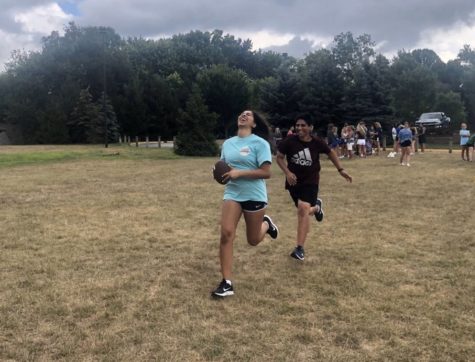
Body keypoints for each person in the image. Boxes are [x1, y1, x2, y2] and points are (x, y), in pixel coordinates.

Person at [211, 110, 279, 298]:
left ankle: (267, 224)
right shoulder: (228, 144)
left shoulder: (260, 143)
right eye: (241, 114)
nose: (243, 115)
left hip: (254, 195)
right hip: (233, 193)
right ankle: (227, 282)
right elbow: (224, 167)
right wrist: (218, 172)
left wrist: (239, 173)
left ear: (254, 124)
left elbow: (266, 173)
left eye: (248, 115)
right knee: (226, 233)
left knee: (253, 240)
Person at [276, 115, 352, 261]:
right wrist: (287, 172)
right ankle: (316, 207)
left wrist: (341, 170)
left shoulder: (317, 143)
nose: (299, 128)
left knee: (302, 210)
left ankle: (299, 248)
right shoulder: (289, 141)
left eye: (303, 125)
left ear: (310, 127)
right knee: (304, 210)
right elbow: (279, 157)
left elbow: (331, 153)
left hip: (310, 181)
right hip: (293, 182)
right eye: (297, 125)